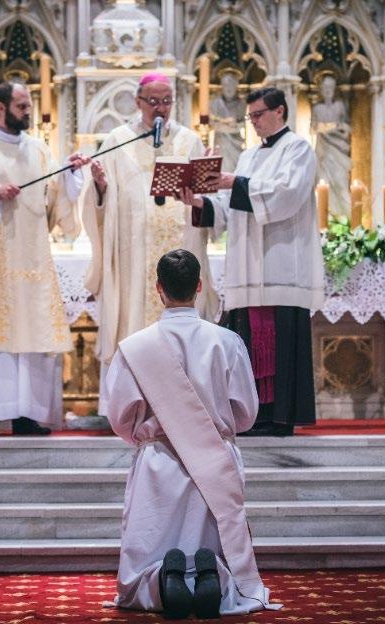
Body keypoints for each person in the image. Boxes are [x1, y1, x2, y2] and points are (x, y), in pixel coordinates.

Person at [105, 250, 276, 617]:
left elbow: (120, 416)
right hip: (214, 459)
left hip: (158, 465)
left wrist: (146, 436)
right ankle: (214, 577)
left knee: (152, 547)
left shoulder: (135, 347)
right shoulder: (227, 341)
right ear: (199, 287)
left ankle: (162, 583)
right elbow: (245, 412)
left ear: (158, 289)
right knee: (217, 543)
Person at [0, 82, 88, 437]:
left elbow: (55, 205)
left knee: (31, 335)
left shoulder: (39, 151)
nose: (29, 111)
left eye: (29, 105)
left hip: (31, 262)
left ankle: (27, 414)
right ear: (1, 108)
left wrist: (70, 176)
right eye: (22, 105)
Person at [181, 86, 325, 437]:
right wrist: (200, 203)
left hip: (281, 266)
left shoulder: (299, 150)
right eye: (251, 117)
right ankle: (250, 415)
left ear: (280, 112)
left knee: (278, 345)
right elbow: (231, 212)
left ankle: (279, 417)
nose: (254, 122)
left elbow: (286, 196)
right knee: (246, 343)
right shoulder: (248, 157)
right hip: (247, 269)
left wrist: (233, 182)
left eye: (258, 115)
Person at [82, 72, 218, 414]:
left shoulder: (189, 141)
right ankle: (132, 404)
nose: (161, 109)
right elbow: (99, 201)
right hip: (133, 255)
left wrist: (202, 188)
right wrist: (98, 186)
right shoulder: (117, 139)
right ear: (137, 102)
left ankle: (186, 401)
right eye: (153, 101)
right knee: (134, 321)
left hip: (182, 246)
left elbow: (205, 199)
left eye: (167, 101)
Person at [311, 75, 352, 217]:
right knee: (323, 184)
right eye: (325, 87)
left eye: (331, 87)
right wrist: (328, 127)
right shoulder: (317, 108)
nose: (328, 90)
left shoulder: (340, 106)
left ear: (335, 89)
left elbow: (347, 128)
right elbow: (313, 128)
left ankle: (346, 218)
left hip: (338, 150)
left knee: (340, 185)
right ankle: (325, 218)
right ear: (321, 89)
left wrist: (335, 126)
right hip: (323, 152)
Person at [210, 69, 246, 172]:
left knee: (236, 169)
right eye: (226, 85)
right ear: (222, 86)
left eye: (231, 85)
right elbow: (212, 124)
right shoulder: (214, 103)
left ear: (236, 86)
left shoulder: (242, 103)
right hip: (221, 142)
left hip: (236, 142)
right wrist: (229, 125)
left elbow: (242, 124)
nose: (228, 88)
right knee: (222, 168)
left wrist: (229, 125)